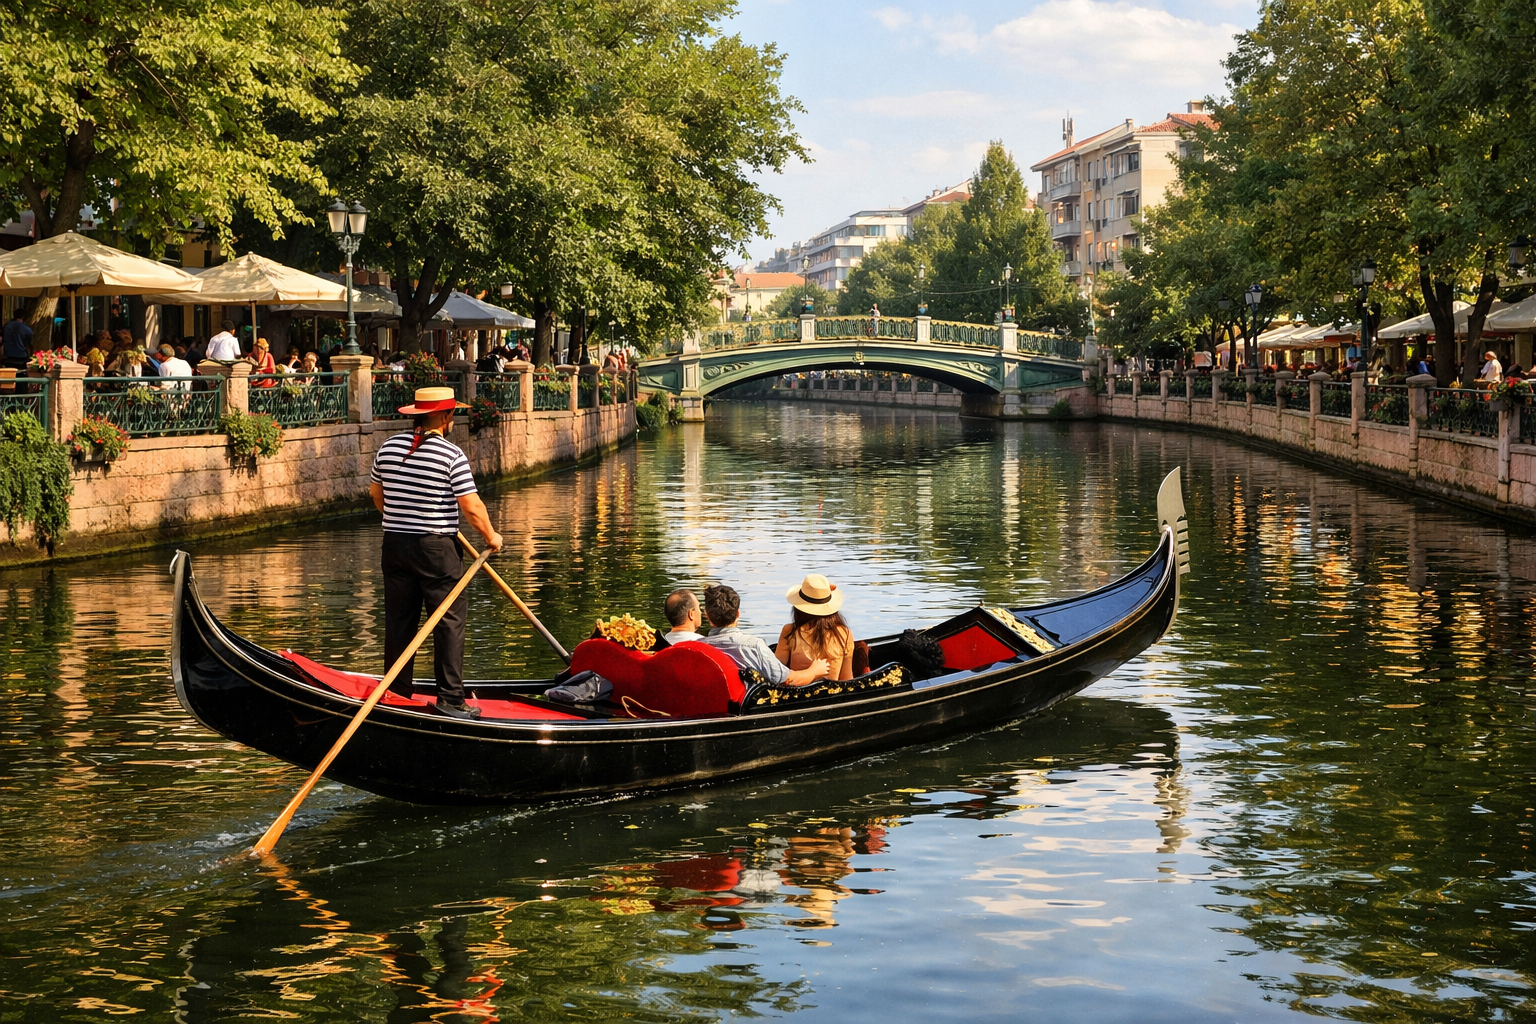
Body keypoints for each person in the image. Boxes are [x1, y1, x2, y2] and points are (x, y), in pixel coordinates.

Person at [369, 385, 503, 719]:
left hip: (395, 545)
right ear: (444, 417)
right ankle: (451, 701)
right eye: (452, 413)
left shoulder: (387, 447)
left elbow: (376, 493)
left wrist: (400, 517)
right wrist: (491, 536)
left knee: (400, 621)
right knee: (448, 622)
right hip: (436, 550)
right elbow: (471, 508)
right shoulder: (452, 456)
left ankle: (397, 692)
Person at [702, 584, 828, 687]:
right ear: (738, 614)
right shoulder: (753, 646)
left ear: (707, 616)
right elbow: (788, 680)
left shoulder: (696, 647)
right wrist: (814, 671)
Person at [776, 573, 854, 682]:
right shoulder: (845, 634)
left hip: (798, 694)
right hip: (832, 695)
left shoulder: (790, 632)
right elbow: (847, 679)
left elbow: (776, 675)